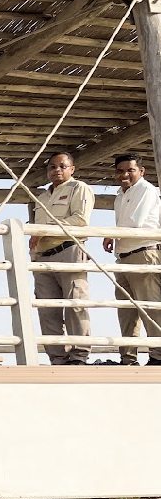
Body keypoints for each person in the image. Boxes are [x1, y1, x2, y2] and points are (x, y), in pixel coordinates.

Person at [29, 151, 94, 366]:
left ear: (71, 169)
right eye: (52, 167)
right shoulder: (41, 197)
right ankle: (57, 358)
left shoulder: (79, 188)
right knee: (47, 309)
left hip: (68, 250)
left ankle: (79, 356)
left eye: (62, 166)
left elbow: (80, 219)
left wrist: (44, 230)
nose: (57, 170)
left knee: (75, 304)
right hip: (43, 256)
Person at [104, 153, 161, 366]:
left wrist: (110, 233)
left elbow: (135, 222)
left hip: (143, 253)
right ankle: (128, 358)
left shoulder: (146, 190)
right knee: (126, 311)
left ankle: (158, 356)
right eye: (120, 171)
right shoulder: (120, 194)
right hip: (124, 257)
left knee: (150, 308)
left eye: (130, 170)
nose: (124, 175)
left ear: (141, 171)